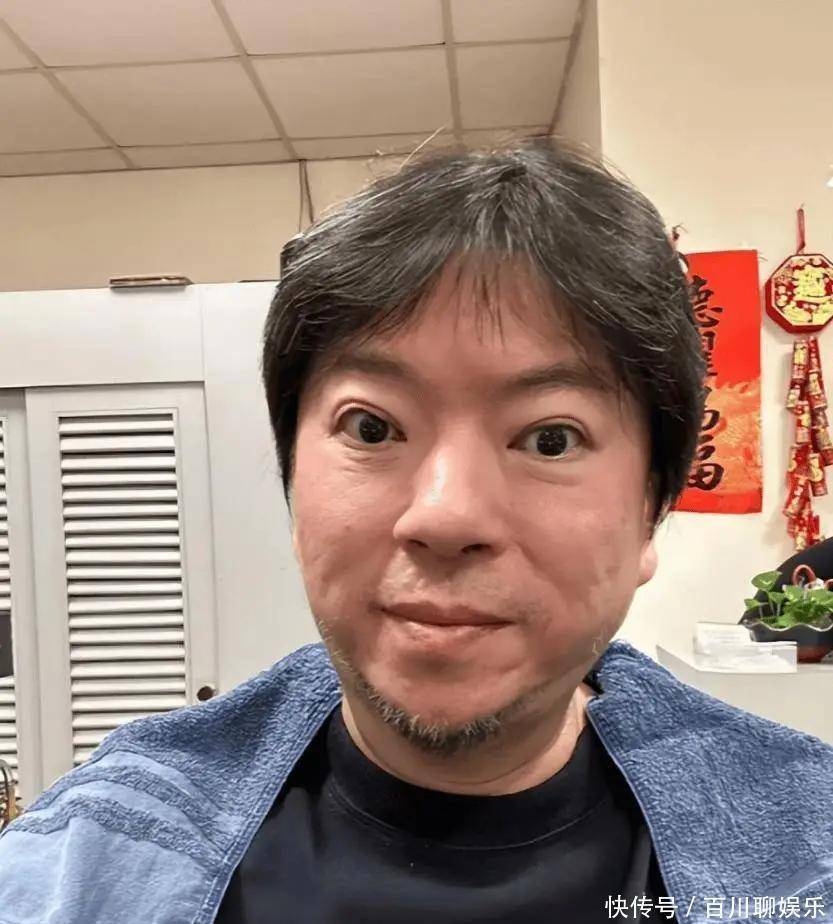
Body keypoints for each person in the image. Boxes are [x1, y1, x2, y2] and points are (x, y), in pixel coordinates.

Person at [2, 138, 833, 924]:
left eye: (550, 438)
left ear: (651, 511)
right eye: (371, 428)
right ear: (293, 492)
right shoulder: (89, 859)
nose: (445, 514)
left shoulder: (804, 854)